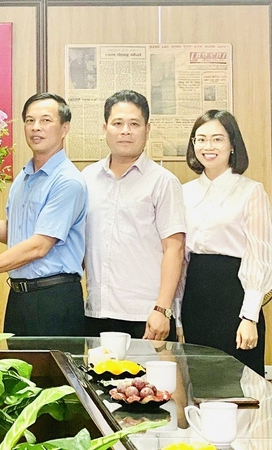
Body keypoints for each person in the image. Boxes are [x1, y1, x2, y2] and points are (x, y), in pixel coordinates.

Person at [0, 93, 88, 336]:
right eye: (29, 121)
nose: (36, 128)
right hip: (19, 298)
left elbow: (39, 246)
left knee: (50, 374)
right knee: (15, 371)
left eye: (45, 121)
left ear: (65, 128)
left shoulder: (68, 181)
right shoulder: (23, 177)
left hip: (54, 299)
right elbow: (14, 234)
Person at [179, 109, 272, 376]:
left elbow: (260, 256)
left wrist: (249, 316)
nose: (208, 146)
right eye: (200, 139)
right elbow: (180, 258)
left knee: (240, 385)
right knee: (200, 382)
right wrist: (177, 316)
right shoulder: (184, 193)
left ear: (232, 144)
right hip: (196, 297)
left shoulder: (251, 191)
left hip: (234, 296)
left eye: (217, 139)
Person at [82, 90, 185, 341]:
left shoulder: (163, 182)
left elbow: (175, 248)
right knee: (100, 380)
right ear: (105, 128)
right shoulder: (86, 178)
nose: (125, 130)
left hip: (147, 315)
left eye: (134, 124)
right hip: (98, 312)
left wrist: (162, 309)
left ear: (147, 129)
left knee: (149, 382)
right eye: (117, 123)